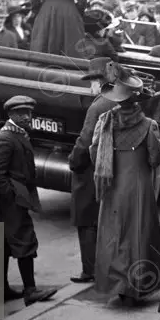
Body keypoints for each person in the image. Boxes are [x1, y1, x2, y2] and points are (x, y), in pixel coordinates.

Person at [90, 70, 160, 305]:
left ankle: (116, 284)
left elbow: (94, 152)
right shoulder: (149, 125)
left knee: (113, 233)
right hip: (139, 185)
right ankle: (136, 285)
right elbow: (155, 157)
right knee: (139, 233)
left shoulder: (104, 122)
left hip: (112, 184)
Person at [0, 96, 59, 306]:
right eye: (23, 114)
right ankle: (30, 290)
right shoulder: (6, 138)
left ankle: (1, 290)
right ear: (12, 115)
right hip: (13, 201)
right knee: (24, 239)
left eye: (29, 113)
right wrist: (12, 197)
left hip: (14, 198)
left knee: (5, 244)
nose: (28, 117)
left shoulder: (17, 134)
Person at [67, 58, 119, 283]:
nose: (91, 86)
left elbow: (85, 139)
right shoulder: (121, 98)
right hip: (115, 167)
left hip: (92, 170)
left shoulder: (98, 105)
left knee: (86, 219)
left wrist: (73, 161)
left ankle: (90, 269)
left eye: (92, 81)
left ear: (100, 81)